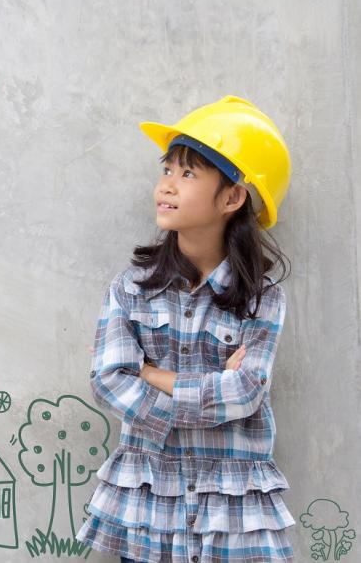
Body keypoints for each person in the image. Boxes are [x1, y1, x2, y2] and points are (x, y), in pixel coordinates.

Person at [75, 96, 297, 562]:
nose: (167, 186)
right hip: (150, 503)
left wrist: (154, 376)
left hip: (234, 511)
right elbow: (108, 379)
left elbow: (246, 393)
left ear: (232, 197)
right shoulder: (131, 289)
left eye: (189, 174)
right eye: (167, 170)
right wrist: (211, 393)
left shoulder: (263, 295)